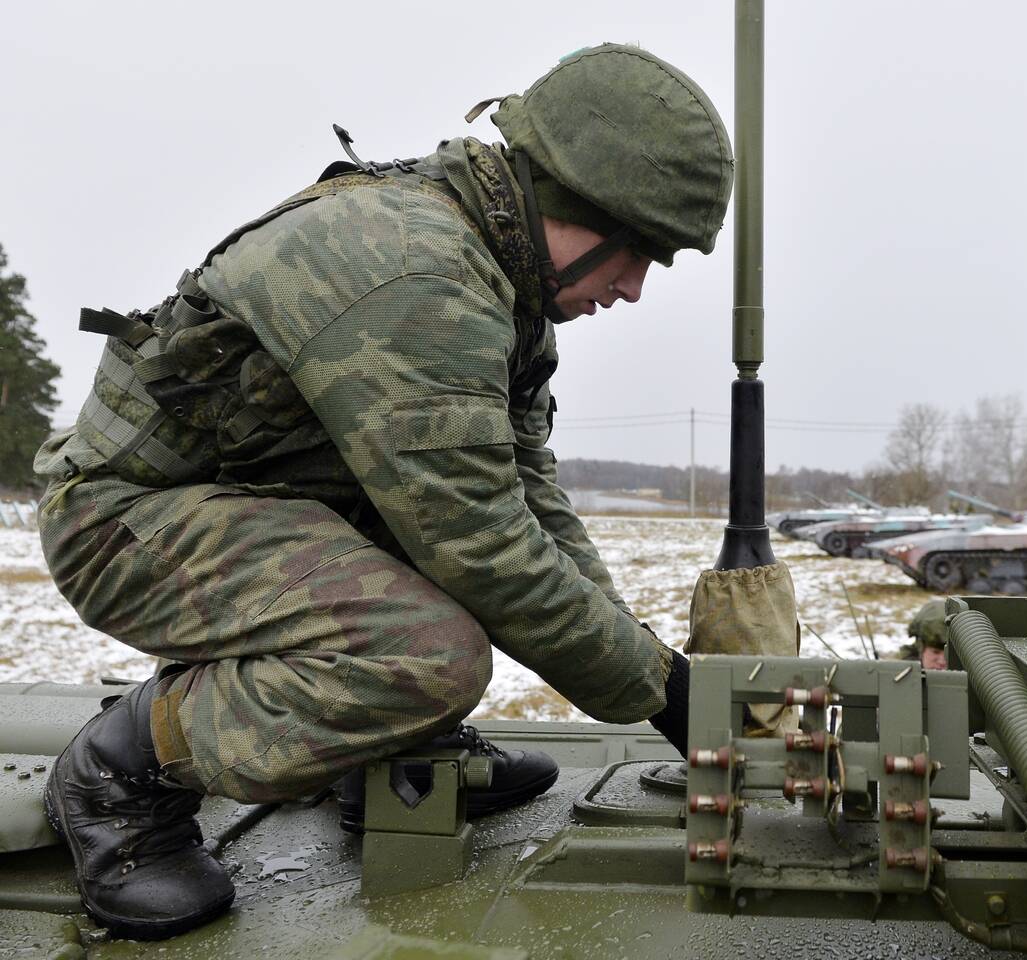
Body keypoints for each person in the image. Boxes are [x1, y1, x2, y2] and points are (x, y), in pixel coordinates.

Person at [35, 44, 731, 940]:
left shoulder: (501, 274)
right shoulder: (418, 276)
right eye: (635, 253)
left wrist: (656, 673)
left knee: (455, 576)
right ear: (566, 202)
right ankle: (121, 771)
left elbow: (529, 503)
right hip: (126, 524)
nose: (632, 289)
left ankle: (389, 754)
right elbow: (486, 551)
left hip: (257, 509)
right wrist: (665, 695)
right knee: (428, 654)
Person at [896, 598, 950, 670]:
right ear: (920, 648)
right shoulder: (903, 674)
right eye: (935, 652)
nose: (942, 662)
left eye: (948, 654)